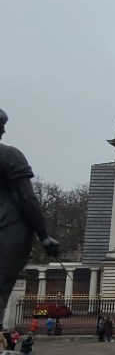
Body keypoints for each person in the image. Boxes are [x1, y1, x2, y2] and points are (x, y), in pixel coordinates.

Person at [0, 108, 61, 332]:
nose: (4, 129)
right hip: (7, 225)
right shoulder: (9, 154)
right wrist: (44, 236)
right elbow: (28, 198)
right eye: (1, 124)